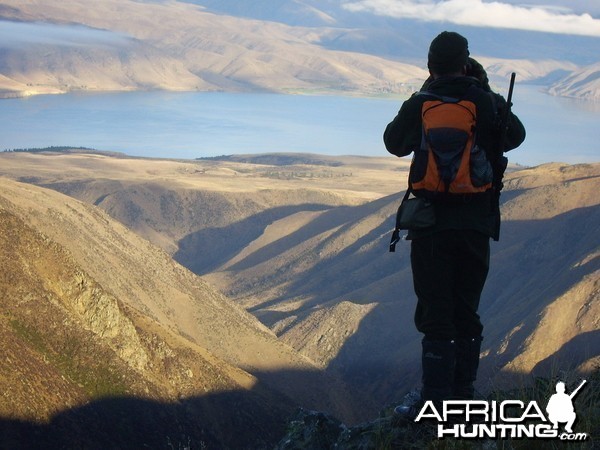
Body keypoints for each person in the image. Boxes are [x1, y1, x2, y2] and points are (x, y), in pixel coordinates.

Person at [383, 31, 526, 418]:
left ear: (430, 66)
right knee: (467, 310)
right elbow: (515, 137)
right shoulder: (483, 100)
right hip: (475, 224)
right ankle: (464, 396)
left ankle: (435, 401)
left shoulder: (421, 102)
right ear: (466, 62)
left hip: (430, 226)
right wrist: (484, 89)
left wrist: (426, 94)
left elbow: (394, 143)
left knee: (435, 313)